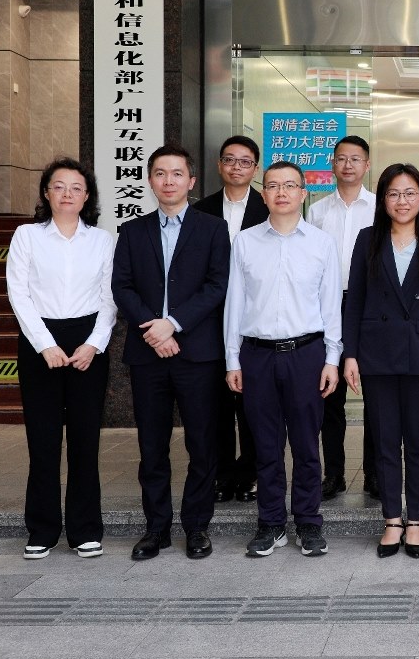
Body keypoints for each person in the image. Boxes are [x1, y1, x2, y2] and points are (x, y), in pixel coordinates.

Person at [112, 145, 231, 561]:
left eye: (177, 174)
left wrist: (174, 323)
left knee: (202, 444)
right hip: (148, 353)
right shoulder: (132, 231)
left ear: (191, 181)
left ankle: (197, 526)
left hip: (197, 353)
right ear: (150, 181)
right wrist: (154, 328)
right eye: (160, 173)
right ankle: (156, 528)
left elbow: (217, 285)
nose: (168, 181)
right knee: (152, 446)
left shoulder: (213, 229)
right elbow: (121, 286)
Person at [225, 161, 343, 558]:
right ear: (263, 194)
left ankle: (308, 522)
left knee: (307, 444)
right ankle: (271, 523)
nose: (281, 192)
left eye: (290, 185)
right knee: (266, 445)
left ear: (303, 193)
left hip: (306, 354)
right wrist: (232, 359)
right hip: (257, 355)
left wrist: (332, 358)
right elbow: (235, 304)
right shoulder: (245, 242)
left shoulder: (321, 243)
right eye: (273, 185)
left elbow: (331, 305)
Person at [344, 164, 419, 559]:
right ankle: (392, 519)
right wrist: (350, 354)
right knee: (386, 441)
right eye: (393, 193)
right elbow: (355, 299)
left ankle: (417, 520)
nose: (402, 201)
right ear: (383, 200)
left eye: (409, 193)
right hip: (377, 354)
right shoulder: (368, 239)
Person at [7, 158, 117, 560]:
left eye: (76, 188)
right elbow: (19, 293)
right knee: (43, 440)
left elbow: (110, 298)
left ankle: (85, 529)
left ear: (87, 196)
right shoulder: (27, 236)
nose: (67, 194)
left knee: (86, 440)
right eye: (59, 186)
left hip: (88, 342)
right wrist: (45, 344)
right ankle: (42, 529)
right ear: (46, 193)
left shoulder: (103, 240)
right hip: (40, 341)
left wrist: (94, 344)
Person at [193, 136, 269, 505]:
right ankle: (222, 474)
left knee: (253, 403)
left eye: (245, 161)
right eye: (229, 159)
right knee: (216, 404)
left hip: (255, 318)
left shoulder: (269, 207)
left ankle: (250, 472)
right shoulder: (201, 210)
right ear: (219, 165)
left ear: (256, 168)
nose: (236, 167)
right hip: (210, 320)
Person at [305, 135, 376, 500]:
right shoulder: (317, 210)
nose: (348, 165)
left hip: (371, 306)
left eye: (355, 159)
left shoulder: (380, 207)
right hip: (327, 305)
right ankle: (333, 473)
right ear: (332, 164)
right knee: (329, 393)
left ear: (367, 165)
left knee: (376, 393)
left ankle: (374, 474)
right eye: (342, 158)